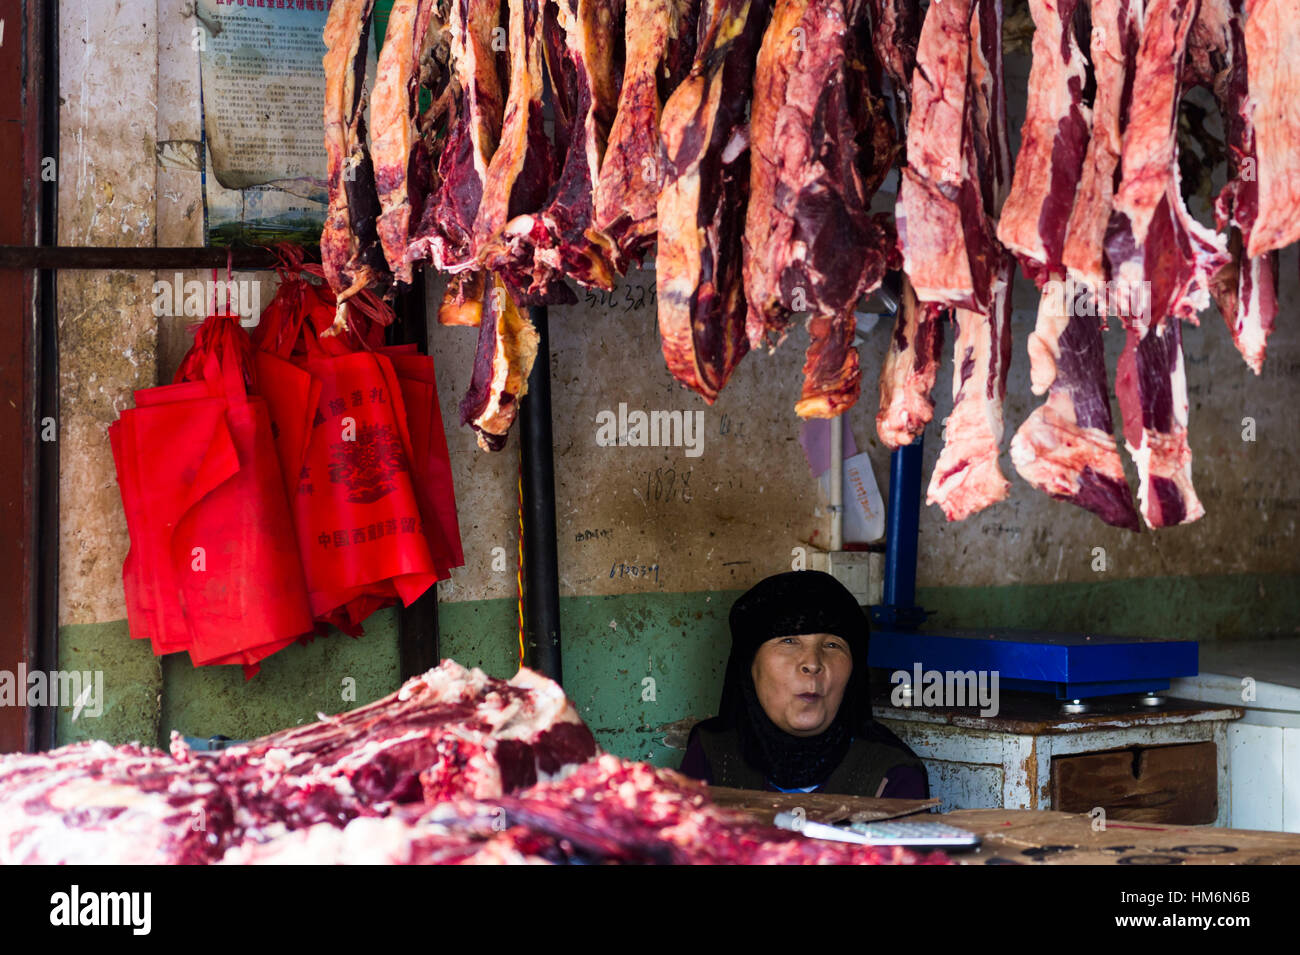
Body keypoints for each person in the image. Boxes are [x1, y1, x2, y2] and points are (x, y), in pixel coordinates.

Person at [678, 570, 929, 798]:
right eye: (788, 641)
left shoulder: (892, 774)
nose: (812, 663)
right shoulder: (712, 753)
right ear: (749, 667)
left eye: (832, 645)